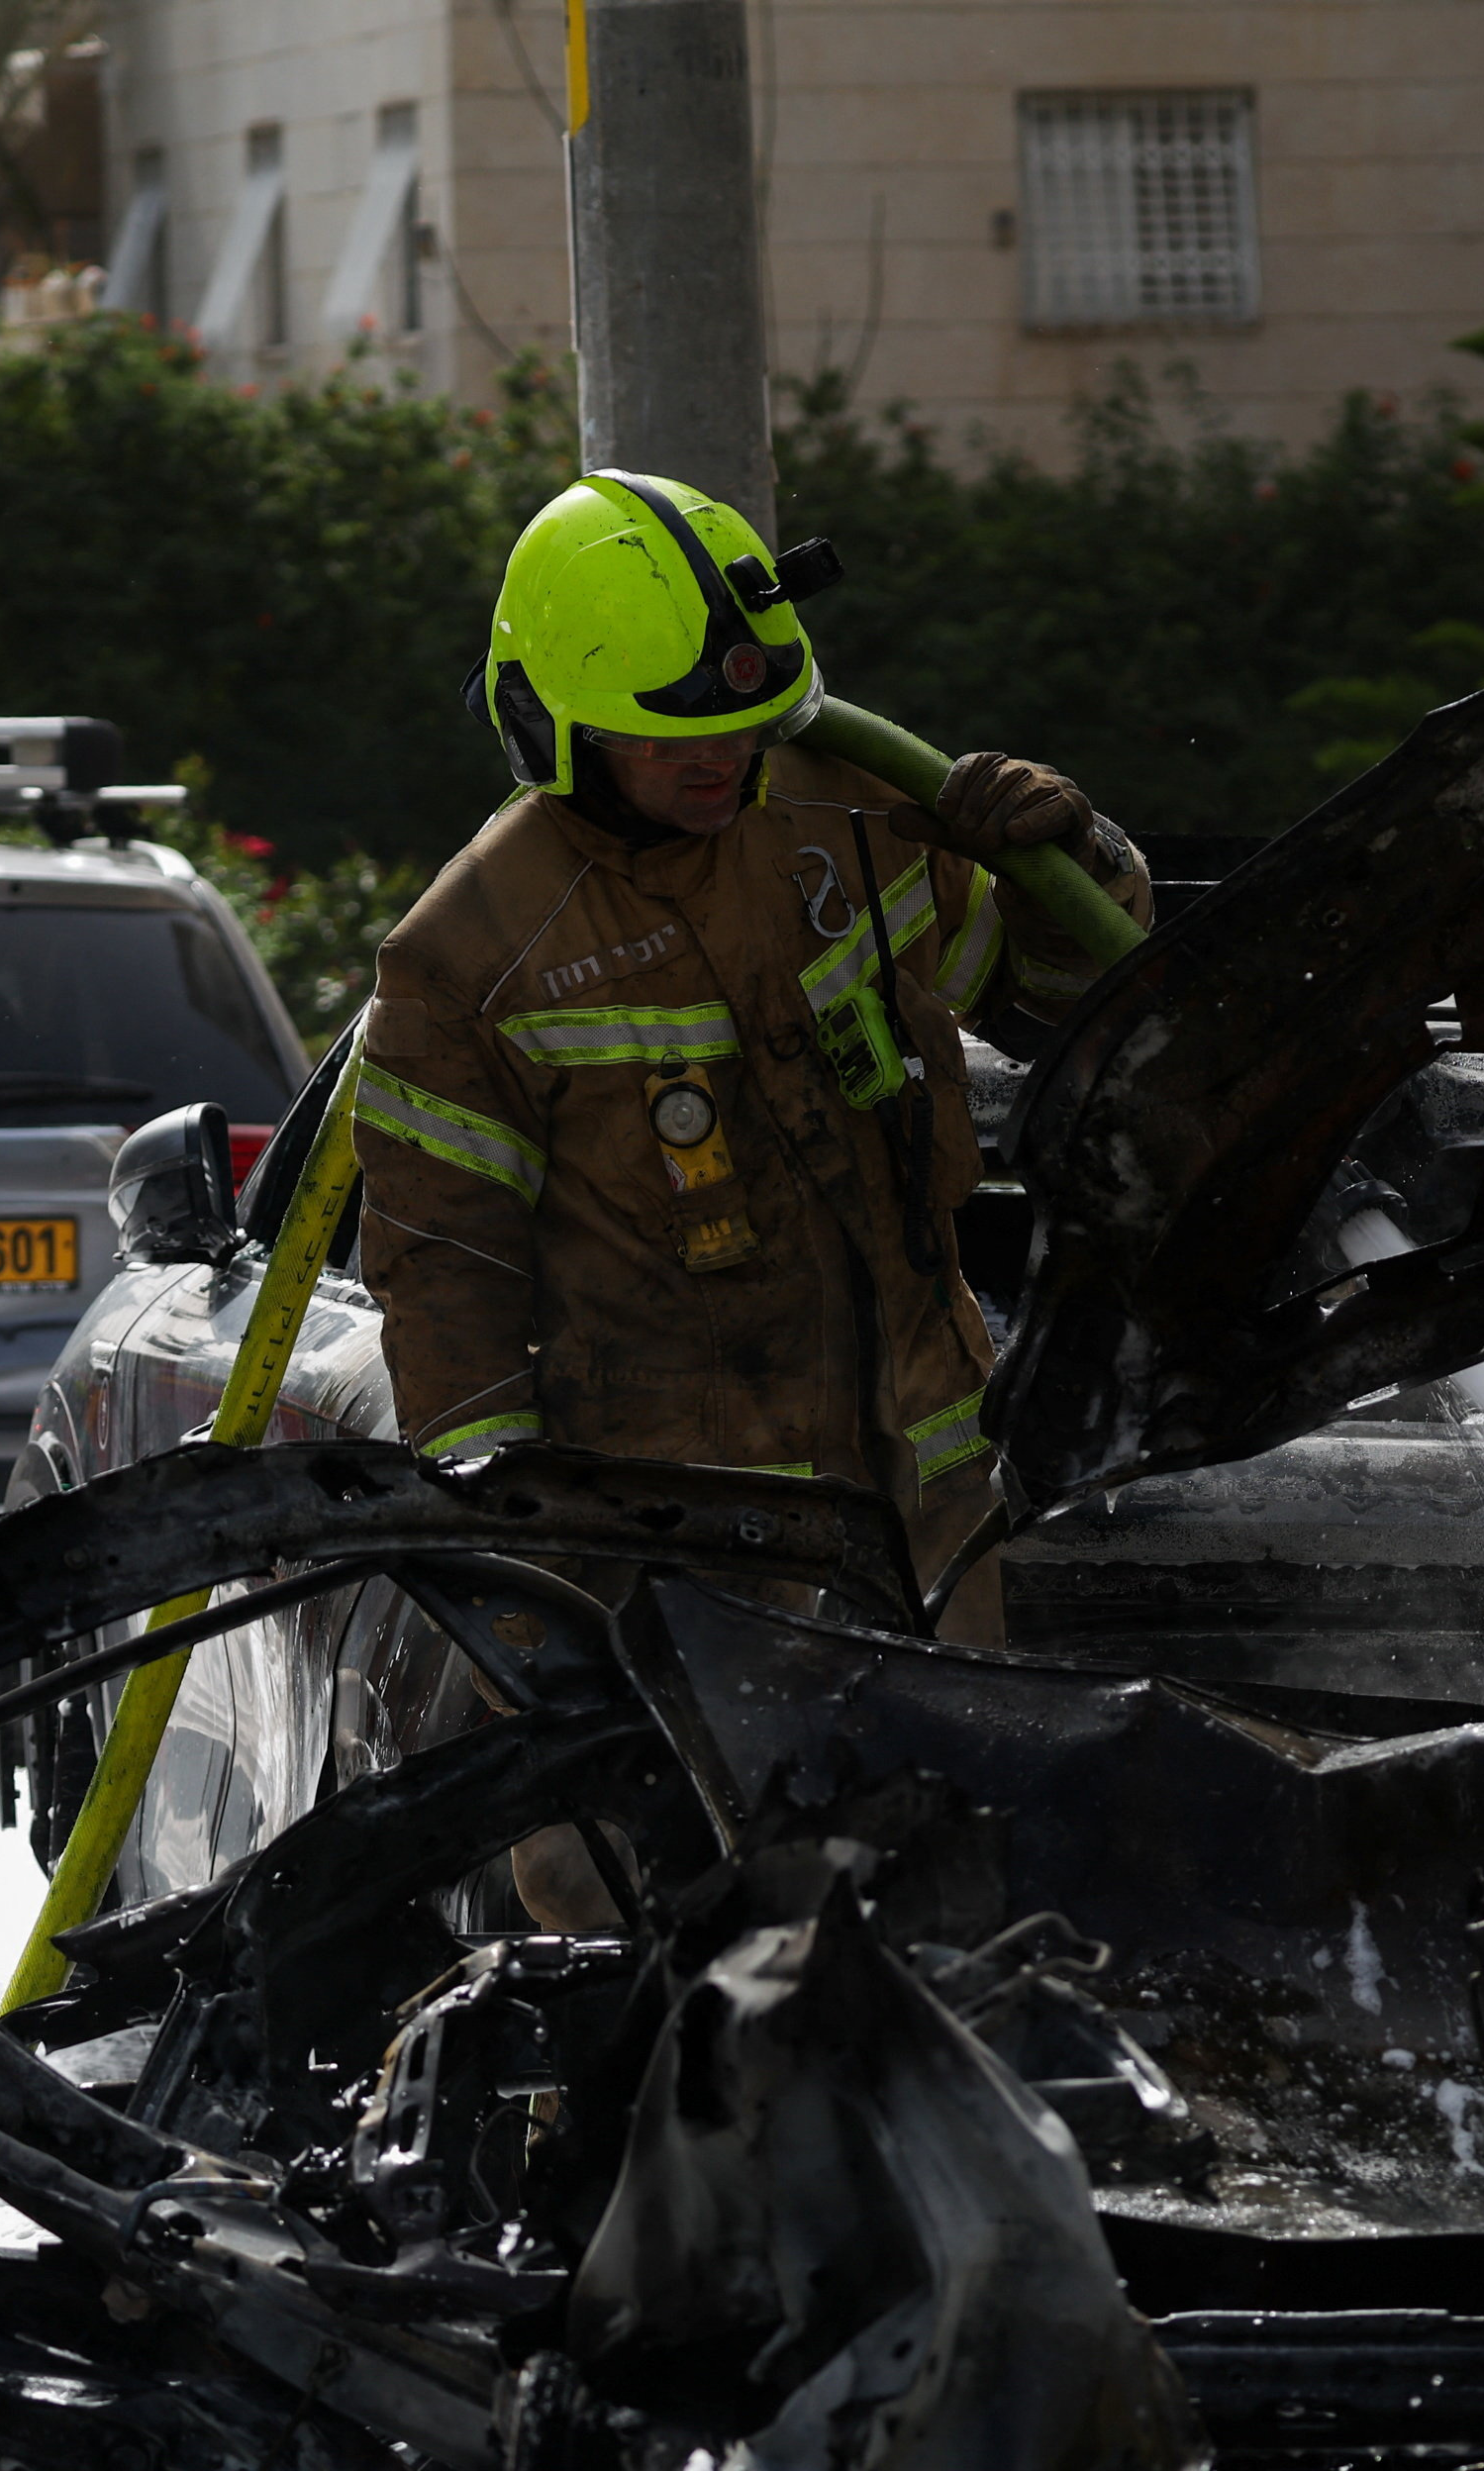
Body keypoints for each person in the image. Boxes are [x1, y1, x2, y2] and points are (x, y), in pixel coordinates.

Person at [350, 469, 1152, 1636]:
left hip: (939, 1519)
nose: (719, 758)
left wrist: (1070, 860)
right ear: (551, 722)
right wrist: (524, 1611)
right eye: (668, 736)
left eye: (740, 725)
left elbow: (1073, 1004)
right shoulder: (470, 954)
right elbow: (445, 1295)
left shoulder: (857, 810)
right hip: (685, 1562)